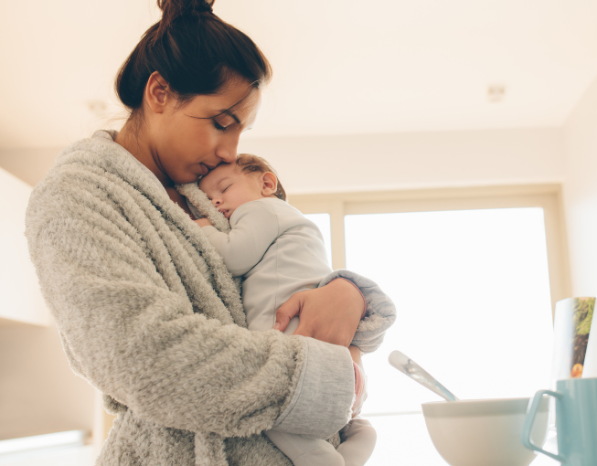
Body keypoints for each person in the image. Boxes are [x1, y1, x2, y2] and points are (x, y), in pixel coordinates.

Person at [24, 1, 396, 465]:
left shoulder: (199, 195)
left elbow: (278, 258)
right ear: (159, 92)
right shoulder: (76, 195)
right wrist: (322, 375)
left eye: (241, 131)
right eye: (222, 124)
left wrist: (345, 292)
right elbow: (142, 357)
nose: (230, 153)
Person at [191, 154, 377, 466]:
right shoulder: (289, 224)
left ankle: (320, 460)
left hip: (298, 341)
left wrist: (201, 228)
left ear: (266, 184)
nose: (216, 202)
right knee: (358, 426)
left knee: (268, 410)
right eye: (208, 199)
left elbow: (235, 256)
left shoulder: (264, 210)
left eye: (223, 188)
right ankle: (361, 440)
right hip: (339, 363)